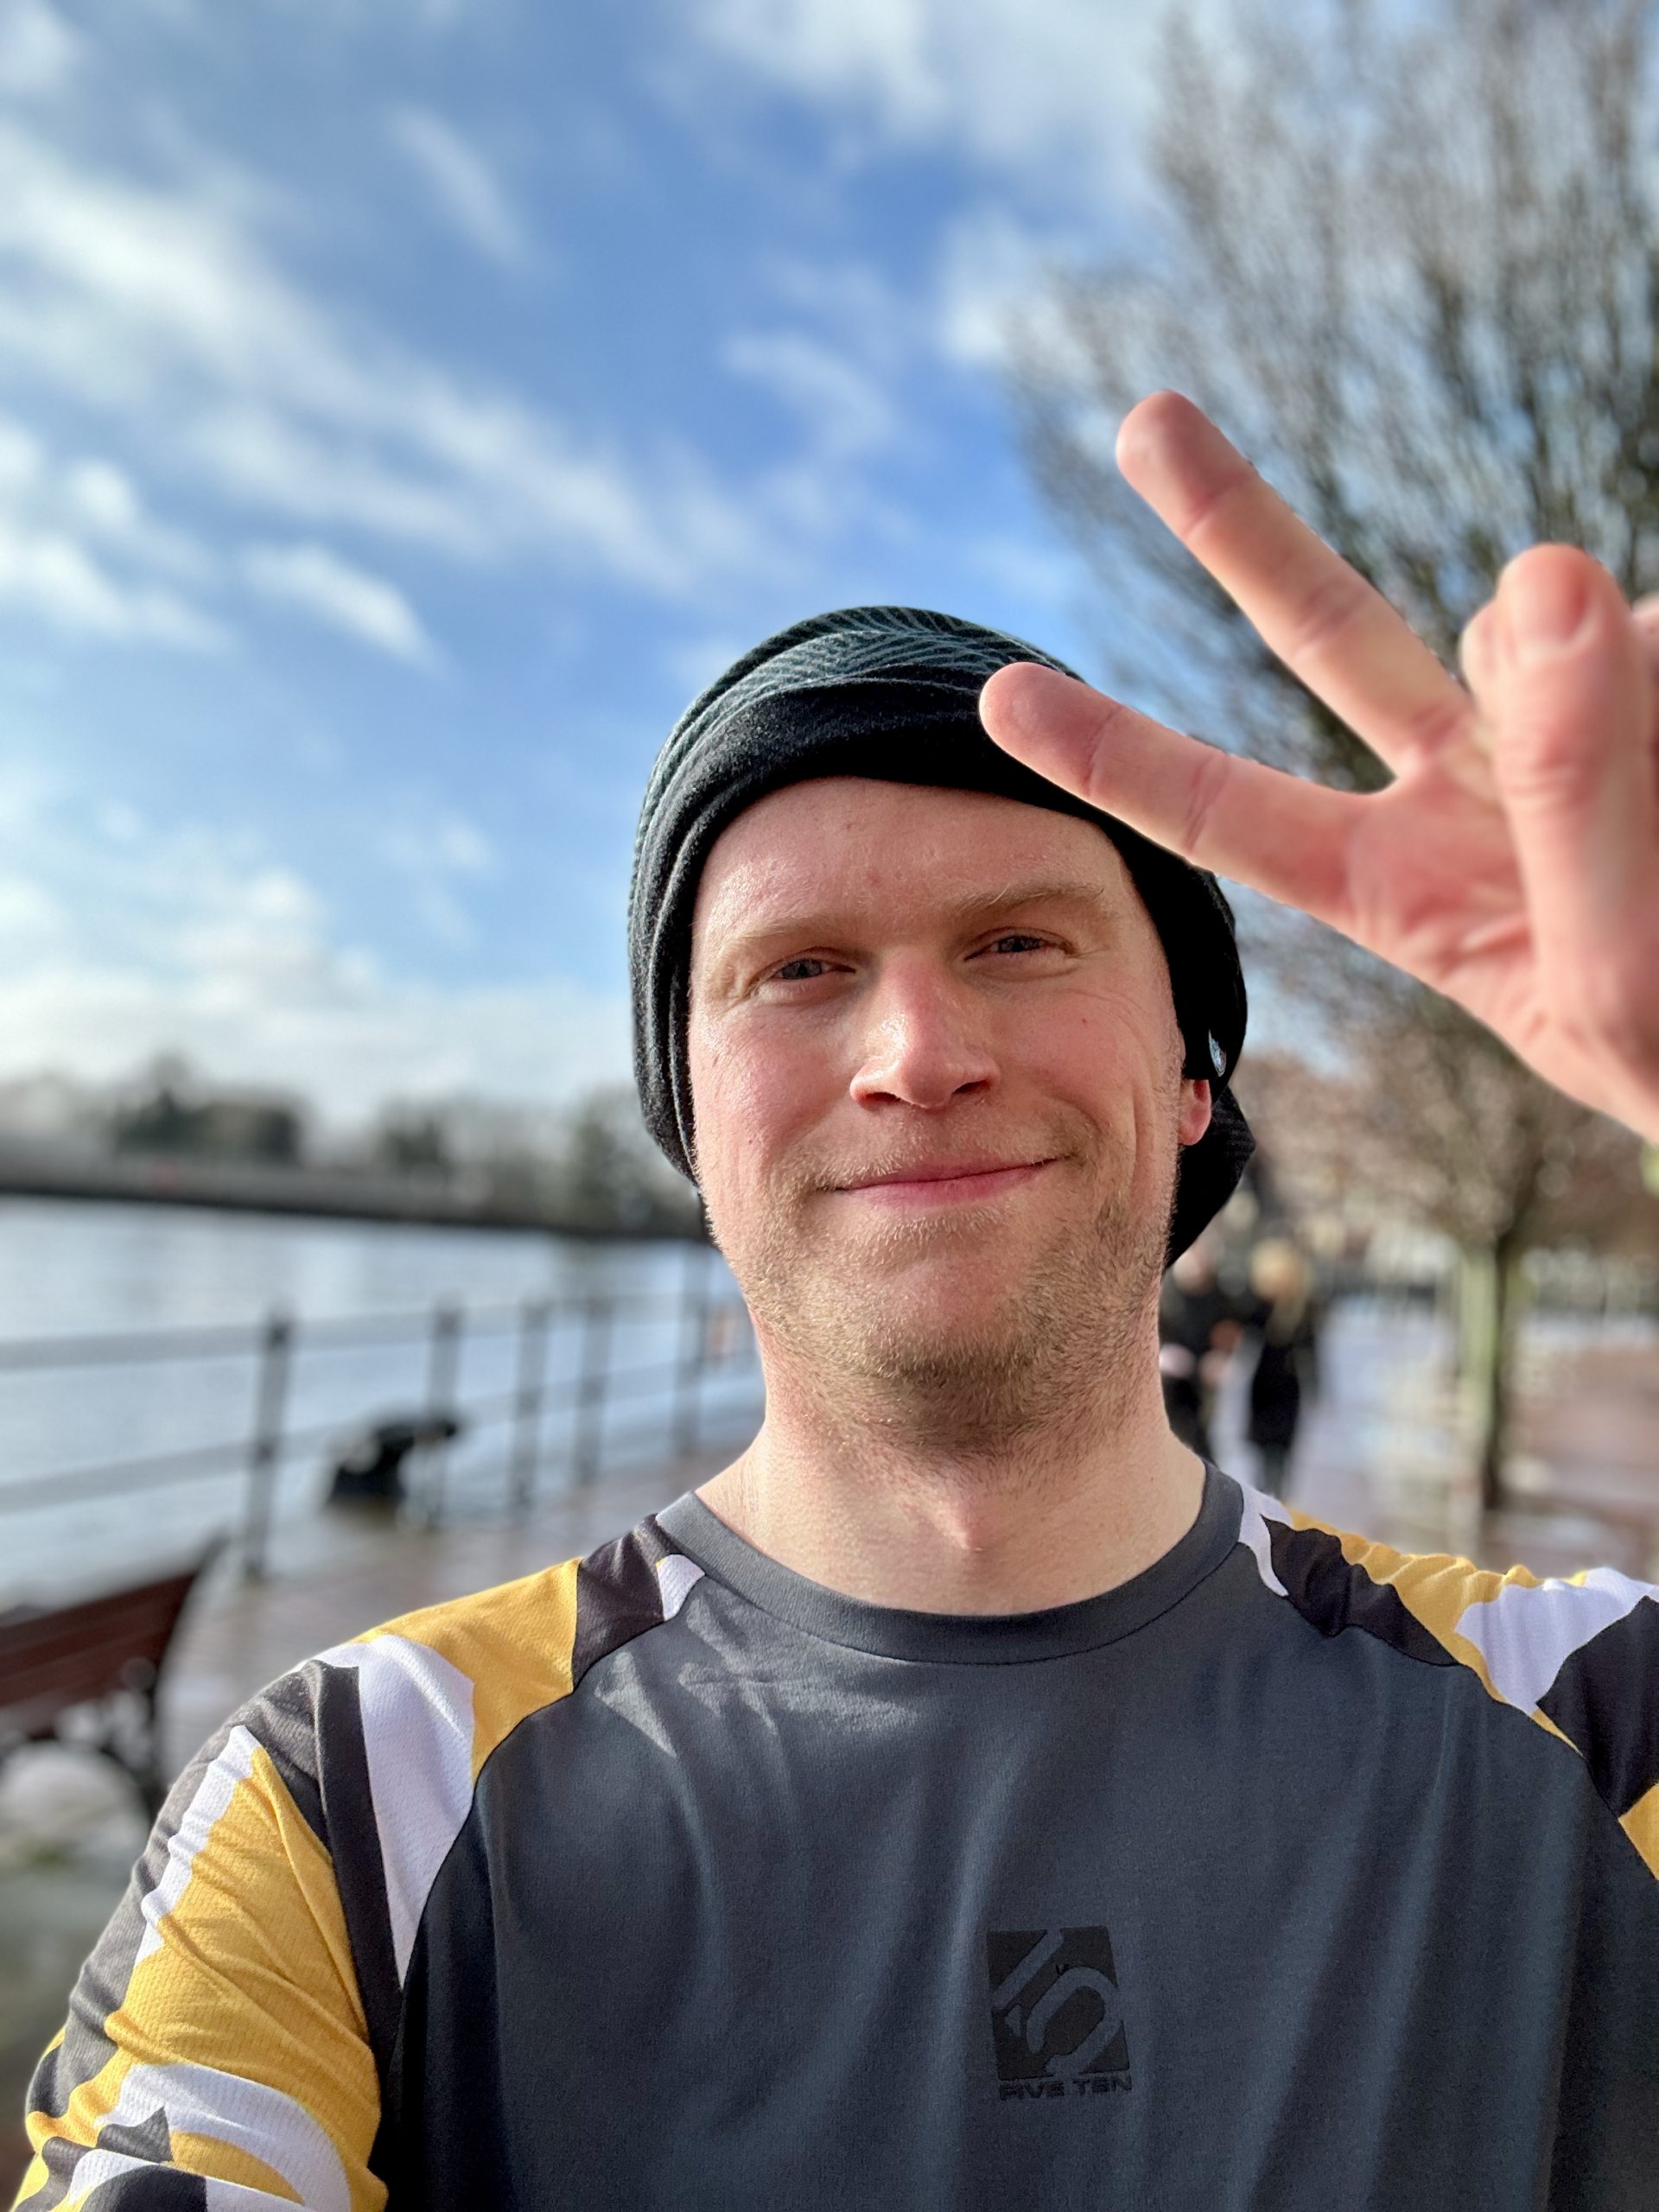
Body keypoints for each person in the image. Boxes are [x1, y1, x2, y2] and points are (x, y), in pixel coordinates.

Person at [16, 395, 1659, 2209]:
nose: (916, 1054)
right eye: (799, 970)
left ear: (1194, 1076)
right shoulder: (355, 1802)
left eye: (1018, 942)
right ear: (692, 1123)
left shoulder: (1596, 1723)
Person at [1242, 1236, 1319, 1495]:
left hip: (1287, 1388)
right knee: (1262, 1452)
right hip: (1263, 1387)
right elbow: (1243, 1333)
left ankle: (1278, 1495)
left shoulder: (1302, 1309)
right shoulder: (1258, 1305)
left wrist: (1316, 1384)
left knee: (1281, 1454)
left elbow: (1311, 1349)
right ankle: (1265, 1495)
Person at [1157, 1234, 1241, 1458]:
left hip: (1202, 1375)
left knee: (1200, 1433)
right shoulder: (1166, 1291)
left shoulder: (1220, 1295)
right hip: (1169, 1378)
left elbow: (1229, 1330)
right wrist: (1163, 1354)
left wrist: (1221, 1356)